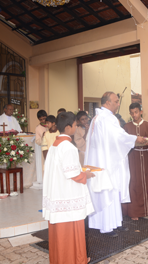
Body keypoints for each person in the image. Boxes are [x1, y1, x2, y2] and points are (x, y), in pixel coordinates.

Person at [84, 91, 146, 236]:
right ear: (107, 102)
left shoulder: (100, 118)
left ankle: (115, 223)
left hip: (105, 159)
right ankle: (107, 226)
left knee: (112, 192)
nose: (118, 104)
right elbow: (119, 137)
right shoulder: (105, 119)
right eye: (116, 101)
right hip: (105, 162)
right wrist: (135, 138)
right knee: (108, 192)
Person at [42, 112, 95, 264]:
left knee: (59, 232)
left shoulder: (54, 145)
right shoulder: (68, 147)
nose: (76, 127)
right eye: (75, 125)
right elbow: (73, 174)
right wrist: (87, 175)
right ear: (68, 127)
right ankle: (77, 260)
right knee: (72, 230)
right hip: (67, 195)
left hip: (57, 193)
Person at [122, 103, 148, 220]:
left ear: (141, 112)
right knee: (134, 183)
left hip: (145, 156)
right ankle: (134, 211)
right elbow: (124, 143)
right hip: (133, 157)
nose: (134, 115)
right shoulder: (126, 127)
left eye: (136, 112)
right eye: (131, 113)